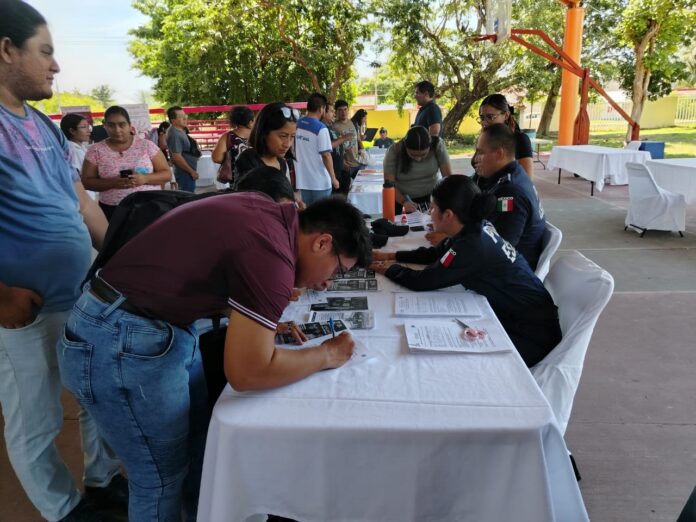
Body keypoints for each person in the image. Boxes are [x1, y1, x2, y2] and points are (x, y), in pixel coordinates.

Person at [56, 194, 372, 521]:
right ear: (322, 243)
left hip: (145, 325)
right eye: (336, 270)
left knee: (198, 451)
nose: (325, 283)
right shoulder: (273, 254)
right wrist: (326, 354)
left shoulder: (268, 214)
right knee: (158, 479)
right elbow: (249, 372)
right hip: (120, 339)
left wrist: (258, 321)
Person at [0, 2, 126, 520]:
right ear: (6, 50)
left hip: (80, 294)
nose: (55, 66)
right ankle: (64, 511)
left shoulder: (41, 125)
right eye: (46, 52)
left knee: (96, 395)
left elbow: (80, 201)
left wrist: (121, 256)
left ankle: (101, 482)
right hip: (23, 309)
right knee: (36, 422)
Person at [371, 175, 561, 368]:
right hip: (518, 316)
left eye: (434, 207)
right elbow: (436, 254)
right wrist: (391, 256)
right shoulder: (475, 228)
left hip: (530, 334)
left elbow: (424, 281)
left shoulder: (472, 245)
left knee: (455, 362)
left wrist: (387, 270)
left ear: (448, 215)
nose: (430, 212)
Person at [81, 105, 171, 221]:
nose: (117, 130)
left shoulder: (146, 146)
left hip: (149, 205)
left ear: (129, 125)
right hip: (113, 210)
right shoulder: (95, 150)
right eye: (111, 125)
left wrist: (144, 178)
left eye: (122, 124)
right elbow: (87, 182)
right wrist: (113, 183)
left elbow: (166, 174)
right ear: (105, 125)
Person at [383, 125, 452, 214]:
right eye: (413, 155)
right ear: (405, 147)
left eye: (423, 155)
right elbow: (389, 185)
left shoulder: (438, 145)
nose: (418, 159)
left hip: (432, 198)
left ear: (430, 147)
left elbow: (448, 178)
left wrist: (441, 200)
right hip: (402, 199)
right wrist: (404, 202)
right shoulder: (394, 151)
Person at [234, 102, 297, 184]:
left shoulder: (282, 163)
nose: (288, 144)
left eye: (292, 136)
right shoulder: (247, 160)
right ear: (264, 132)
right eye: (283, 136)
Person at [295, 93, 340, 204]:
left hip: (303, 181)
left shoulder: (296, 125)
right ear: (321, 109)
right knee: (322, 217)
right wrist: (333, 178)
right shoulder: (321, 128)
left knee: (309, 216)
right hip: (320, 183)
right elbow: (326, 155)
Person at [475, 93, 534, 177]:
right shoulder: (484, 138)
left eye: (490, 117)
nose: (484, 122)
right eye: (482, 117)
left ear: (506, 115)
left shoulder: (520, 139)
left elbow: (527, 178)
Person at [211, 105, 253, 185]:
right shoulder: (258, 135)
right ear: (250, 122)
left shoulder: (228, 136)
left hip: (237, 181)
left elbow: (217, 158)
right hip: (259, 179)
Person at [167, 106, 201, 192]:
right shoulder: (174, 135)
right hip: (184, 173)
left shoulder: (180, 129)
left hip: (187, 171)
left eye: (185, 115)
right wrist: (191, 172)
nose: (185, 118)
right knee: (187, 196)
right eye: (181, 117)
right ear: (173, 121)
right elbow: (177, 157)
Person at [321, 102, 353, 195]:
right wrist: (343, 138)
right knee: (337, 200)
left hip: (340, 168)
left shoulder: (329, 126)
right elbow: (328, 147)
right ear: (323, 112)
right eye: (331, 111)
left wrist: (342, 161)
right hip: (333, 171)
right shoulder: (323, 128)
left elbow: (337, 146)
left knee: (344, 197)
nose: (333, 114)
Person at [332, 100, 361, 181]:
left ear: (348, 110)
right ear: (336, 112)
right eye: (340, 110)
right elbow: (334, 147)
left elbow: (357, 139)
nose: (343, 112)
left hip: (357, 162)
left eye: (345, 109)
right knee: (346, 192)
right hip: (345, 166)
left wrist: (362, 150)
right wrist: (343, 162)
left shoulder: (352, 122)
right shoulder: (334, 126)